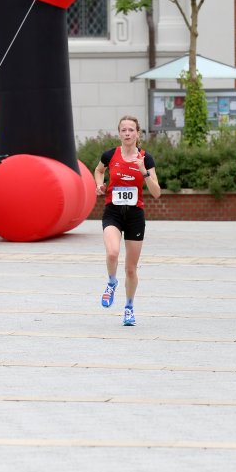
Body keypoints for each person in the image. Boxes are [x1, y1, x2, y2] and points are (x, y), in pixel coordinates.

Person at [94, 115, 161, 326]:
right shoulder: (110, 155)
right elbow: (99, 170)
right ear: (119, 133)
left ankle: (129, 308)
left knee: (131, 269)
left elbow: (157, 193)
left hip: (135, 216)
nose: (127, 133)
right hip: (113, 212)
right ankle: (111, 282)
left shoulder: (145, 158)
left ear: (137, 133)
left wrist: (144, 172)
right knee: (112, 252)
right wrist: (99, 184)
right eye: (123, 130)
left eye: (131, 130)